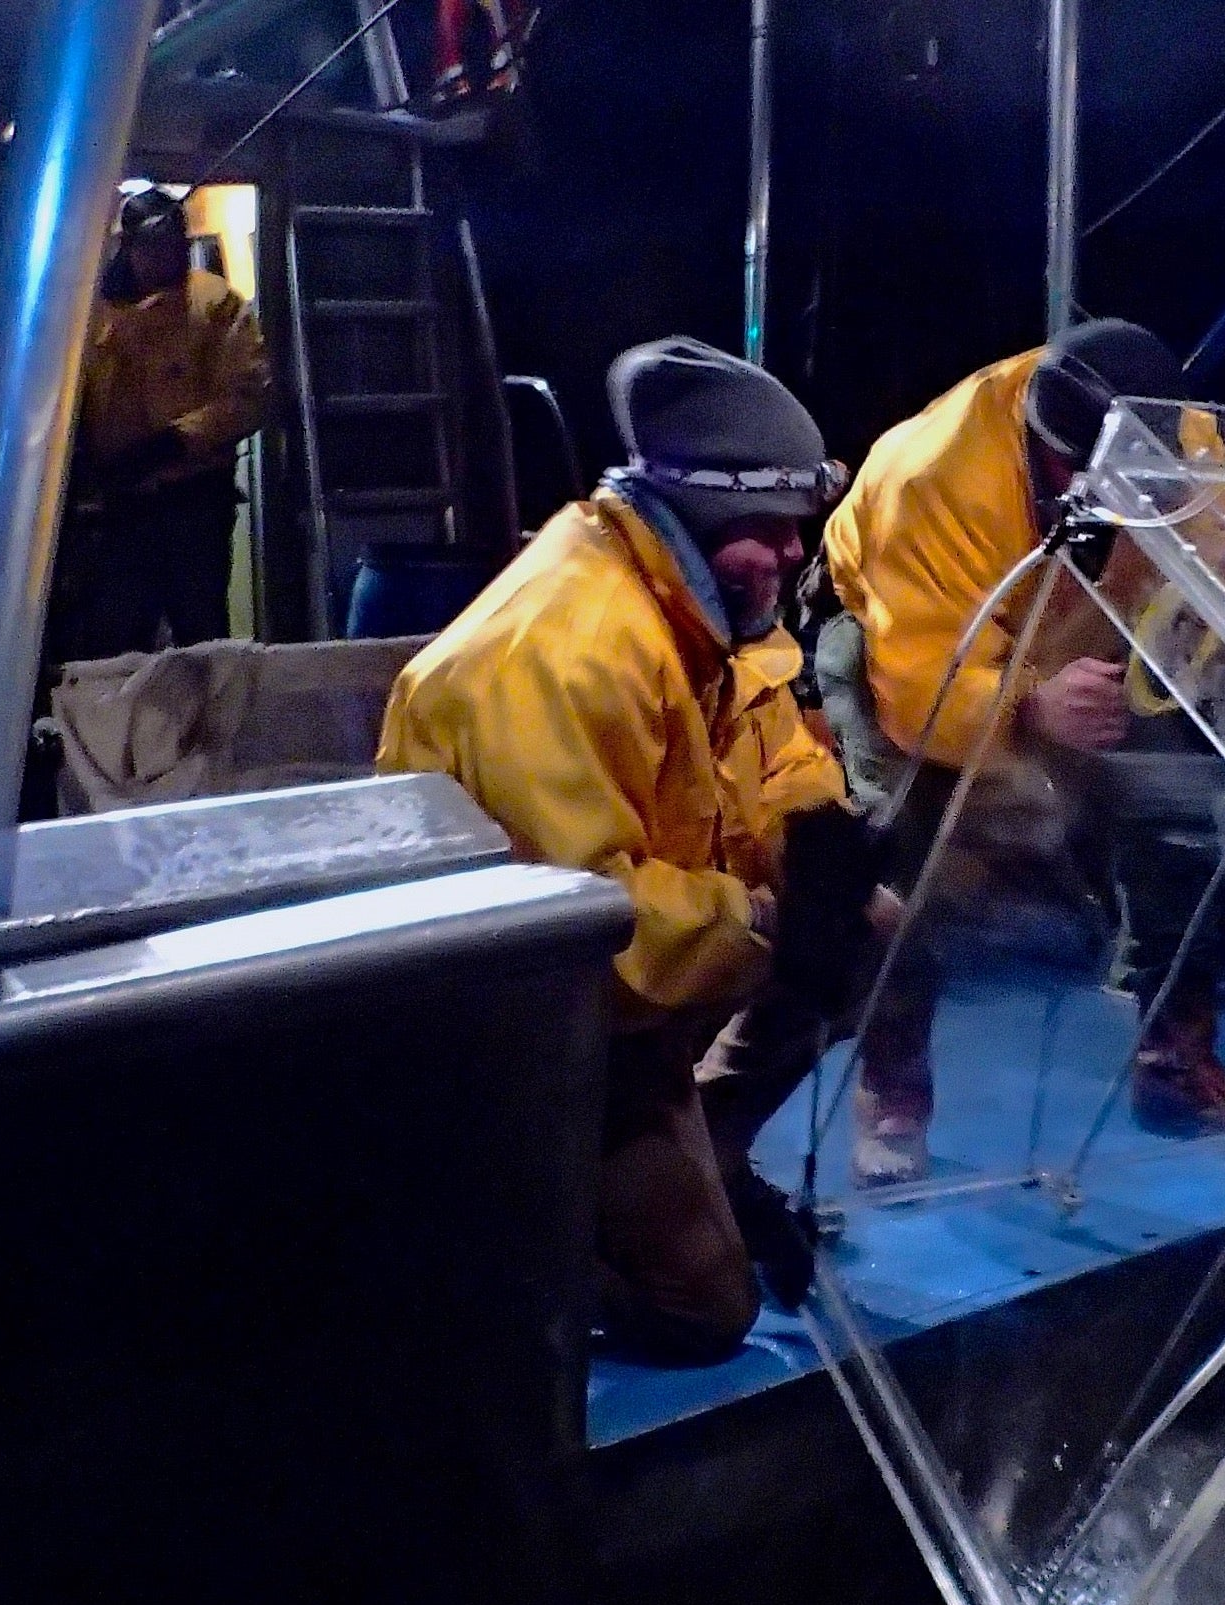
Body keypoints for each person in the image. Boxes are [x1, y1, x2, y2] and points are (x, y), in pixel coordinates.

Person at [817, 319, 1225, 1185]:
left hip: (1078, 620)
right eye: (1081, 475)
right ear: (1048, 447)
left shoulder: (1177, 437)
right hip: (918, 656)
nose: (1106, 491)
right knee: (905, 868)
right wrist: (1025, 706)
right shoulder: (931, 477)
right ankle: (891, 1100)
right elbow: (915, 669)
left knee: (1168, 824)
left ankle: (1175, 1064)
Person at [379, 337, 888, 1364]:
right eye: (769, 531)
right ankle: (520, 1248)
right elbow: (580, 925)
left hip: (638, 980)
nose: (794, 555)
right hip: (522, 1027)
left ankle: (711, 1145)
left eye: (797, 528)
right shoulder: (559, 656)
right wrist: (760, 922)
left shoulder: (692, 599)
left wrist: (817, 848)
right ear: (697, 515)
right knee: (707, 1311)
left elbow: (771, 742)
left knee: (864, 926)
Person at [71, 188, 269, 657]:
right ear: (131, 248)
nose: (170, 257)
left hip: (194, 504)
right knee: (116, 646)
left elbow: (251, 395)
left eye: (178, 244)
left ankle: (212, 730)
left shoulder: (214, 304)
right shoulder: (88, 312)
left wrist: (175, 443)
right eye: (156, 247)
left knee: (202, 644)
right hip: (117, 513)